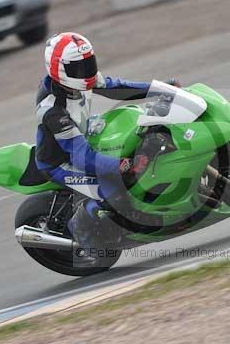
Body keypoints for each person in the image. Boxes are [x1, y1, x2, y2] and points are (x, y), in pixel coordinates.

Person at [35, 32, 179, 265]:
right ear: (59, 69)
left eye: (88, 63)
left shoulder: (77, 79)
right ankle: (86, 239)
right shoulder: (52, 110)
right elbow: (81, 156)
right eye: (79, 67)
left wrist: (159, 89)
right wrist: (120, 167)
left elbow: (117, 87)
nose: (87, 72)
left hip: (82, 131)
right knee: (116, 188)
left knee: (135, 132)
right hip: (61, 161)